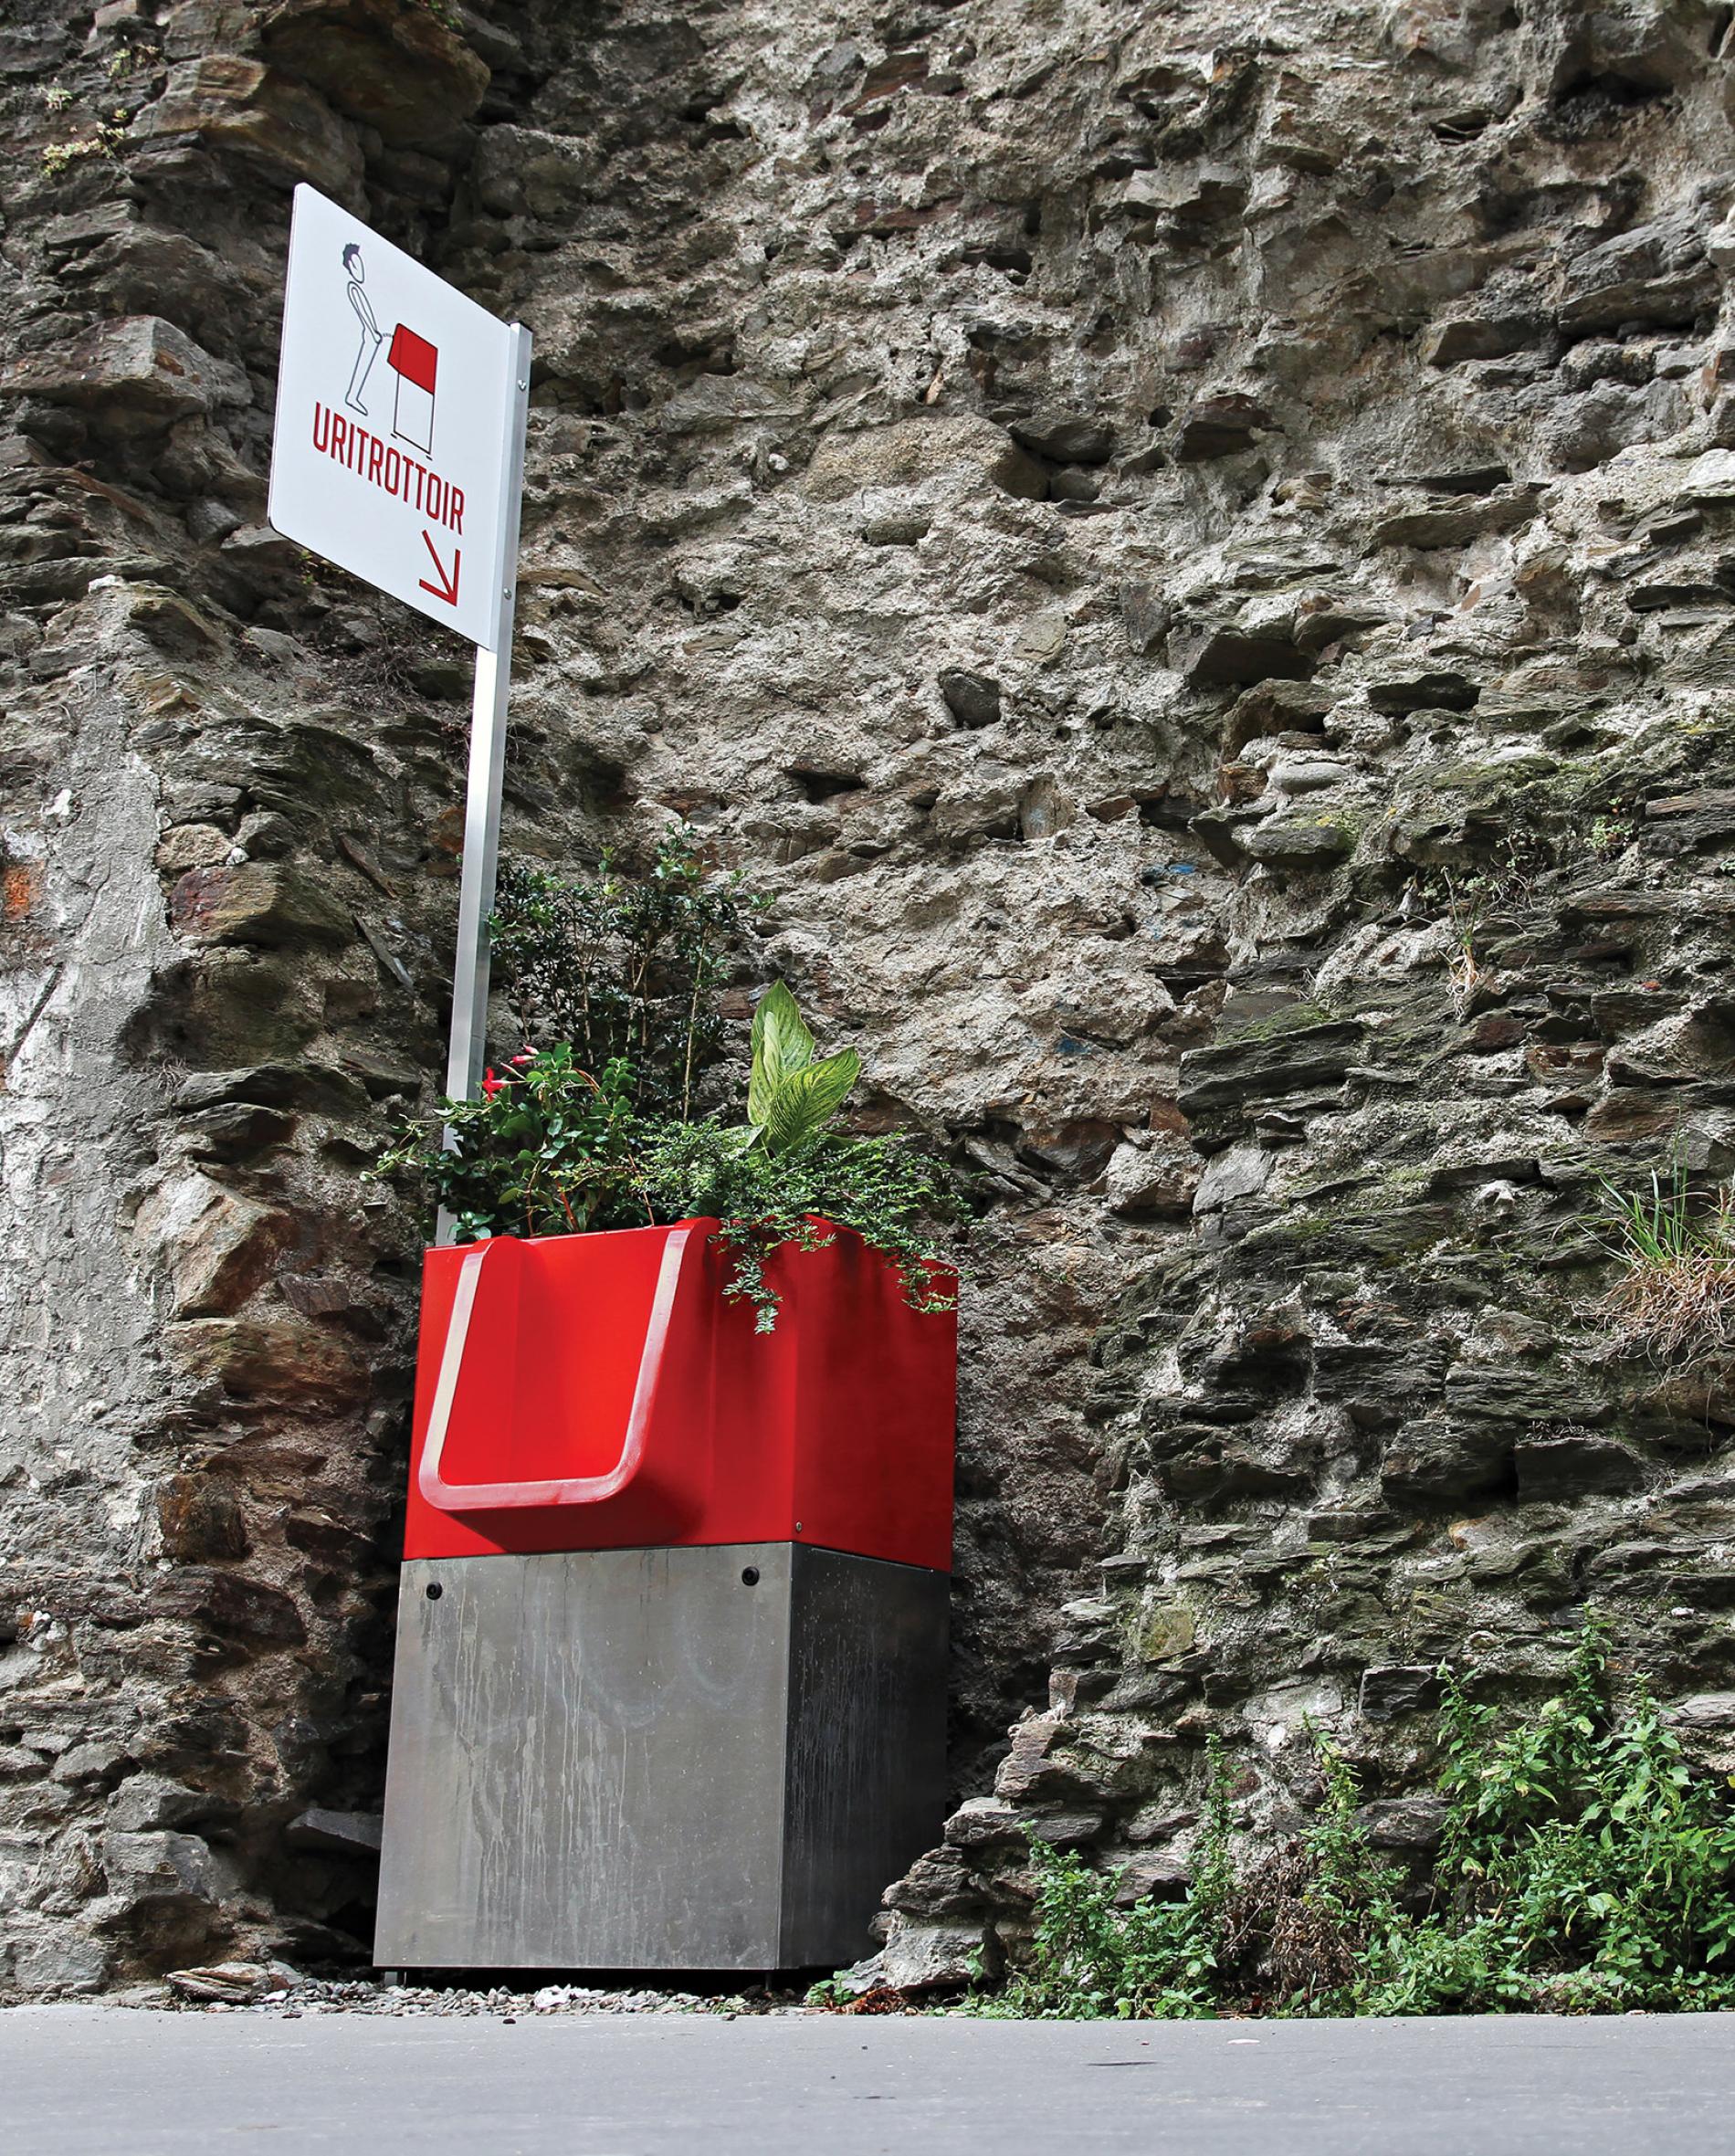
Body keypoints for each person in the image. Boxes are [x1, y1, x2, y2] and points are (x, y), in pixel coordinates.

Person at [343, 242, 383, 416]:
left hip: (373, 337)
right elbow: (363, 313)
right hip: (369, 337)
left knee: (365, 366)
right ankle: (353, 396)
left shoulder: (360, 289)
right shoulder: (353, 287)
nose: (361, 269)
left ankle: (354, 395)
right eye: (356, 264)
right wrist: (372, 332)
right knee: (362, 365)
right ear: (351, 266)